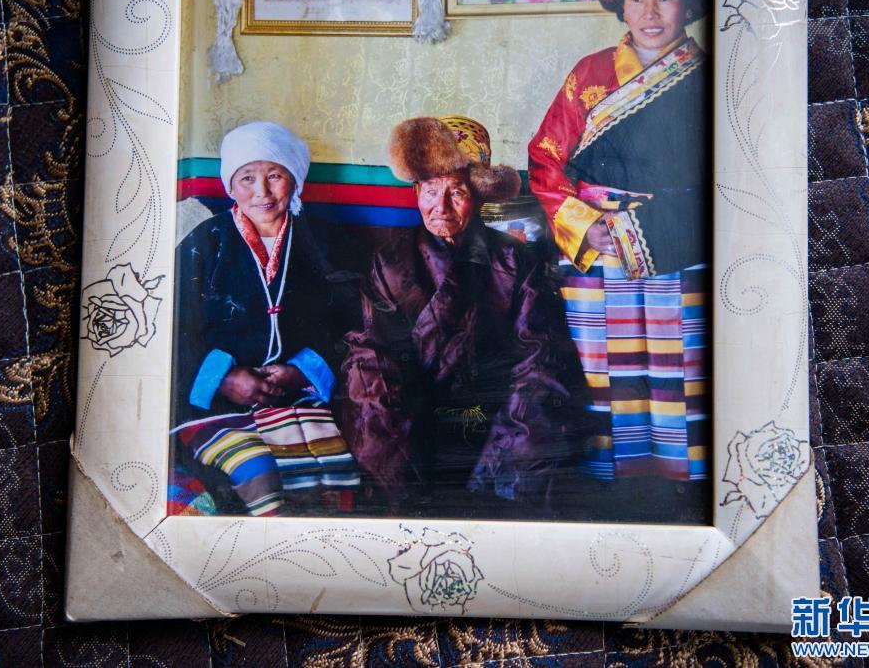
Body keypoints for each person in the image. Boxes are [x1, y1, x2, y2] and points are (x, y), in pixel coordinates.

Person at [339, 116, 589, 517]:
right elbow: (372, 361)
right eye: (430, 190)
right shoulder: (389, 264)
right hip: (416, 426)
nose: (440, 207)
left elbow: (540, 361)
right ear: (416, 192)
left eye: (456, 192)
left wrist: (498, 464)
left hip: (498, 427)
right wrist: (405, 471)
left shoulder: (514, 260)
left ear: (478, 196)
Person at [527, 0, 708, 484]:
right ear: (620, 5)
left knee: (682, 367)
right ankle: (610, 483)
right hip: (597, 245)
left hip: (680, 241)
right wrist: (584, 225)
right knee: (603, 370)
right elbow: (545, 159)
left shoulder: (710, 78)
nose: (650, 13)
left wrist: (665, 224)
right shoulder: (589, 74)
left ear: (687, 4)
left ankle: (682, 478)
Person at [170, 121, 360, 516]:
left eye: (275, 175)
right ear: (230, 185)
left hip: (295, 393)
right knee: (257, 471)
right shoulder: (205, 242)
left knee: (330, 469)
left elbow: (350, 320)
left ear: (295, 180)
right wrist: (224, 377)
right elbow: (172, 326)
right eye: (247, 178)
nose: (262, 191)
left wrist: (302, 371)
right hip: (217, 401)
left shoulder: (326, 242)